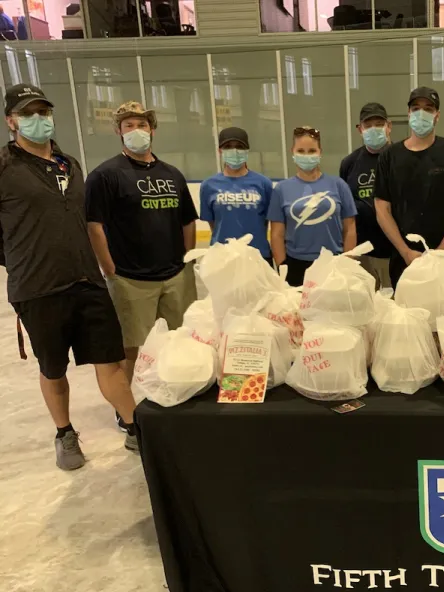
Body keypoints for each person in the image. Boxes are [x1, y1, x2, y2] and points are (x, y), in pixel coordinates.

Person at [0, 84, 139, 470]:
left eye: (43, 112)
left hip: (86, 281)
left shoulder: (69, 165)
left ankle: (135, 427)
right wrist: (19, 258)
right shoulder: (4, 167)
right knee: (53, 367)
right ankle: (64, 433)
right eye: (28, 114)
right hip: (38, 287)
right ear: (11, 121)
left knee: (109, 360)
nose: (39, 120)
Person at [85, 101, 198, 402]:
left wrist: (185, 260)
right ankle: (131, 409)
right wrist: (110, 270)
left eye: (142, 125)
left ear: (152, 130)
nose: (137, 131)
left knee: (181, 340)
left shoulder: (172, 174)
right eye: (129, 126)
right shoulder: (105, 176)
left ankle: (178, 395)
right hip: (130, 279)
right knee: (133, 347)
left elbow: (187, 220)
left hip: (175, 276)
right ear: (119, 132)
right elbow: (94, 226)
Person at [374, 87, 444, 288]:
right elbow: (382, 210)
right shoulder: (389, 157)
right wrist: (405, 252)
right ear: (409, 114)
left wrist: (439, 253)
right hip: (405, 261)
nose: (421, 113)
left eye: (428, 109)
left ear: (437, 116)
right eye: (416, 108)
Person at [267, 126, 358, 286]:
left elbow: (349, 229)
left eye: (311, 151)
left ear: (320, 152)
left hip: (333, 263)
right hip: (296, 265)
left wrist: (346, 263)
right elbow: (277, 234)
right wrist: (283, 267)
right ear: (292, 152)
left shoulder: (338, 185)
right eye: (301, 151)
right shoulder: (282, 189)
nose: (306, 155)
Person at [339, 102, 393, 289]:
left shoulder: (401, 157)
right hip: (363, 253)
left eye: (379, 124)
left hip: (395, 253)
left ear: (389, 127)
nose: (373, 129)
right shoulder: (349, 163)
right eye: (368, 125)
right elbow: (346, 210)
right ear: (359, 129)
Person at [200, 127, 273, 261]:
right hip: (222, 258)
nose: (234, 151)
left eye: (239, 146)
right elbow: (214, 224)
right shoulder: (208, 186)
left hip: (258, 256)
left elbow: (268, 222)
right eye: (228, 146)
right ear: (220, 151)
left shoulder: (264, 184)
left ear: (247, 151)